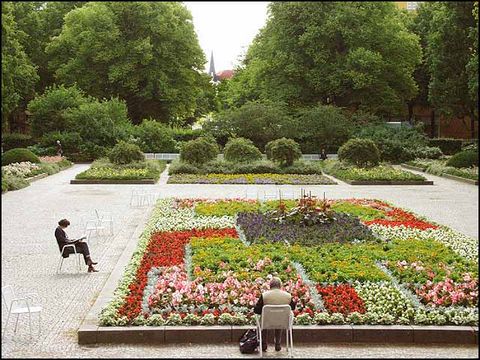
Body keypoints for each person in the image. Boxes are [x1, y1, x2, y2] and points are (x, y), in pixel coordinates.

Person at [253, 277, 296, 352]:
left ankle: (263, 344)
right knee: (279, 318)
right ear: (280, 286)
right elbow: (292, 308)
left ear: (270, 286)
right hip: (283, 323)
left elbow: (256, 310)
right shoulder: (288, 296)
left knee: (264, 318)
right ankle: (278, 344)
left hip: (266, 323)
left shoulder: (264, 295)